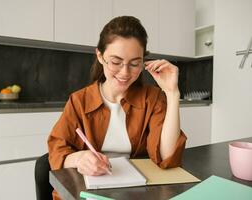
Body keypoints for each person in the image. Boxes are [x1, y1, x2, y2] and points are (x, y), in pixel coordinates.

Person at [48, 16, 186, 199]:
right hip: (87, 193)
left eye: (135, 63)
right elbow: (58, 149)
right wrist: (80, 158)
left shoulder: (152, 98)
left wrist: (172, 93)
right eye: (115, 62)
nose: (125, 73)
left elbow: (168, 157)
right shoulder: (79, 101)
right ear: (100, 56)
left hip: (137, 192)